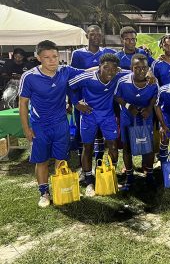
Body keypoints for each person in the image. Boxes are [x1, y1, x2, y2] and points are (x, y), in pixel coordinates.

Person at [19, 40, 84, 207]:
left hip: (61, 124)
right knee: (41, 160)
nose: (52, 60)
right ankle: (44, 193)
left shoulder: (65, 71)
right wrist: (27, 129)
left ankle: (59, 188)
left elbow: (87, 72)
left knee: (61, 159)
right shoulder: (29, 77)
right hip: (40, 126)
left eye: (55, 56)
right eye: (47, 57)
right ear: (38, 57)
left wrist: (117, 70)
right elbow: (23, 103)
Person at [69, 54, 129, 197]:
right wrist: (76, 103)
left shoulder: (117, 75)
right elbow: (69, 85)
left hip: (107, 116)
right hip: (89, 115)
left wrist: (150, 73)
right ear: (99, 67)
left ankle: (109, 175)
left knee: (113, 147)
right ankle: (89, 180)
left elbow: (134, 72)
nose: (110, 71)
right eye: (106, 67)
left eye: (113, 68)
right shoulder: (87, 77)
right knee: (88, 147)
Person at [70, 25, 116, 169]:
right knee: (85, 137)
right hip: (86, 102)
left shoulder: (108, 52)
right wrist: (75, 102)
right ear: (87, 36)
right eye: (92, 34)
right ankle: (85, 170)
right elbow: (73, 77)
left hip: (104, 101)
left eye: (98, 34)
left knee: (103, 134)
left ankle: (100, 164)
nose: (96, 37)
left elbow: (118, 67)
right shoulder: (78, 54)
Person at [114, 54, 158, 190]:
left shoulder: (152, 82)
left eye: (144, 68)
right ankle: (129, 176)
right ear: (131, 68)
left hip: (145, 117)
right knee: (127, 147)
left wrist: (149, 109)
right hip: (128, 116)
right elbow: (117, 97)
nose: (141, 71)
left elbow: (156, 96)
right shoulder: (122, 81)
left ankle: (149, 175)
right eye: (137, 68)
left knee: (148, 146)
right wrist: (129, 106)